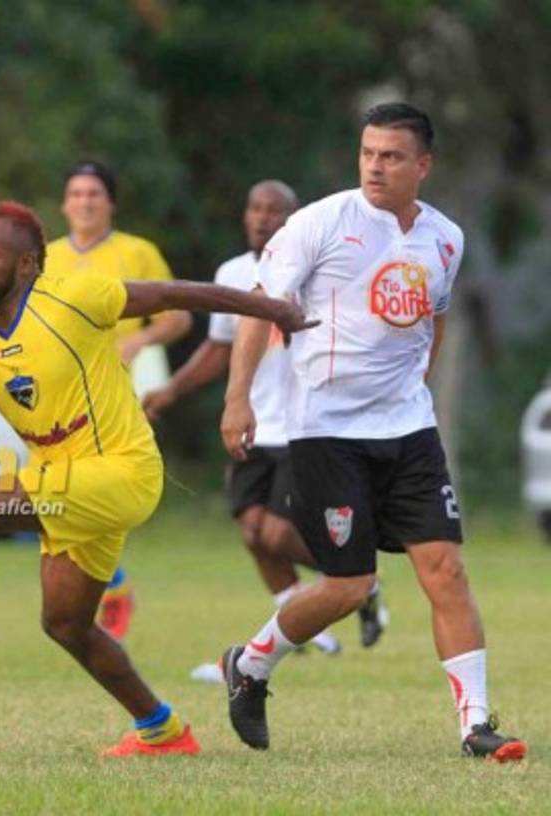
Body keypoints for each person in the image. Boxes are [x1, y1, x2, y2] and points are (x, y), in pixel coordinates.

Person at [0, 200, 313, 757]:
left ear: (28, 264)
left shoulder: (78, 297)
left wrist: (269, 307)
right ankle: (163, 730)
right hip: (65, 483)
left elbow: (176, 294)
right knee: (66, 624)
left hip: (123, 471)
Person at [219, 103, 526, 761]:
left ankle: (475, 726)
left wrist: (414, 386)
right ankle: (250, 664)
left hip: (409, 428)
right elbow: (256, 311)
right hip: (325, 430)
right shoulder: (319, 223)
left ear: (423, 165)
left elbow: (433, 318)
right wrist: (237, 401)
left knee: (445, 568)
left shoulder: (446, 237)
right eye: (368, 153)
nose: (376, 166)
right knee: (348, 587)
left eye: (391, 156)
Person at [143, 181, 389, 668]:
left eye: (274, 211)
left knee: (278, 534)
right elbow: (218, 349)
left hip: (303, 426)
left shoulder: (316, 268)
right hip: (254, 421)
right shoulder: (232, 273)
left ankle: (360, 581)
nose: (262, 218)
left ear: (293, 219)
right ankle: (306, 628)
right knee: (252, 532)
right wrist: (171, 391)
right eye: (254, 208)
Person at [44, 160, 193, 640]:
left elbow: (179, 317)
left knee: (104, 483)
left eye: (94, 193)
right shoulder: (44, 258)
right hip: (60, 395)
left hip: (118, 393)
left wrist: (139, 341)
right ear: (65, 204)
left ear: (109, 203)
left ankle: (108, 588)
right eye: (76, 193)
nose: (85, 201)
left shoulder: (137, 252)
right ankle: (110, 586)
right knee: (56, 492)